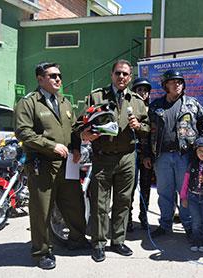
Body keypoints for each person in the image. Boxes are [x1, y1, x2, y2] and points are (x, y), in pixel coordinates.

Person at [15, 62, 87, 270]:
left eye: (59, 76)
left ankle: (77, 240)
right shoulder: (29, 102)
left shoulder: (64, 102)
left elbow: (73, 129)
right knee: (41, 210)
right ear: (40, 79)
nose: (58, 79)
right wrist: (50, 145)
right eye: (53, 76)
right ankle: (42, 252)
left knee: (74, 204)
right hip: (42, 164)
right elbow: (23, 132)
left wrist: (75, 147)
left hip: (67, 164)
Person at [78, 60, 150, 263]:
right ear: (112, 74)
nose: (121, 77)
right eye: (118, 73)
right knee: (100, 203)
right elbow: (82, 122)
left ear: (130, 77)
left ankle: (118, 241)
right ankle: (98, 243)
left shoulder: (136, 100)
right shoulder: (97, 96)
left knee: (123, 201)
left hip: (127, 157)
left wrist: (139, 125)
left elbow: (148, 127)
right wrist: (87, 133)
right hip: (103, 156)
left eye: (126, 74)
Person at [148, 69, 203, 238]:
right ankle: (165, 225)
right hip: (162, 157)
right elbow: (148, 131)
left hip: (185, 156)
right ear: (165, 85)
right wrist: (147, 154)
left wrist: (200, 148)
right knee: (164, 193)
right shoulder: (156, 106)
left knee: (185, 193)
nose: (177, 84)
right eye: (173, 82)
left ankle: (188, 226)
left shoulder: (192, 104)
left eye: (180, 82)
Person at [128, 77, 155, 231]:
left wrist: (148, 156)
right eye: (139, 90)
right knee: (129, 188)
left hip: (146, 155)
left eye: (145, 91)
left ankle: (143, 216)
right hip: (131, 153)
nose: (143, 93)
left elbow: (151, 135)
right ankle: (128, 218)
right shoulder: (129, 107)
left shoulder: (152, 110)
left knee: (145, 187)